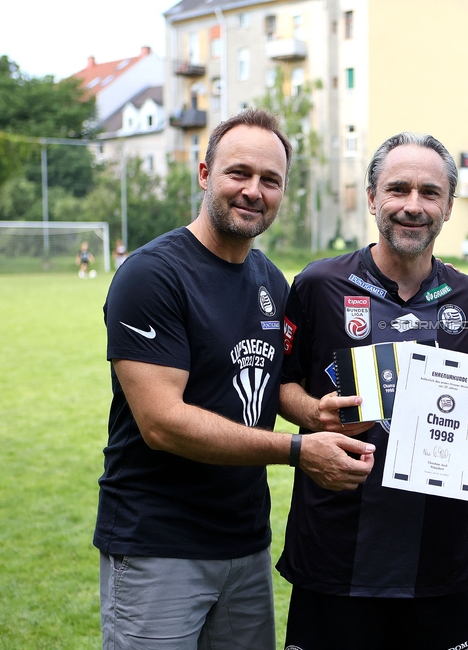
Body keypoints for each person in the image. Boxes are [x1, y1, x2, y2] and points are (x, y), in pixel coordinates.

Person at [95, 109, 375, 650]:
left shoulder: (269, 278)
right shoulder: (153, 274)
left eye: (270, 180)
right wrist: (298, 449)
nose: (253, 191)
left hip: (245, 546)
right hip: (159, 544)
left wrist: (311, 412)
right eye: (238, 173)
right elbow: (162, 423)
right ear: (204, 174)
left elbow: (263, 384)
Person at [277, 132, 468, 650]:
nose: (414, 206)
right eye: (398, 189)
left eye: (430, 192)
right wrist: (313, 413)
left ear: (450, 205)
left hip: (436, 562)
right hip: (334, 554)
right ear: (372, 198)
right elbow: (281, 385)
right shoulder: (319, 286)